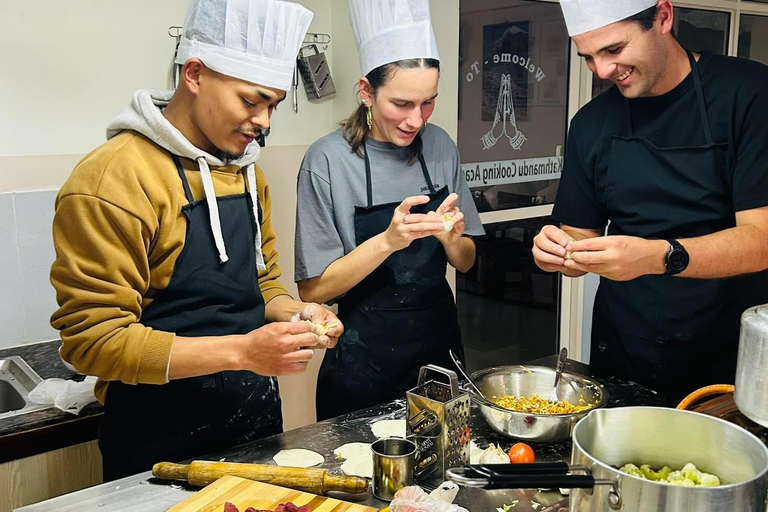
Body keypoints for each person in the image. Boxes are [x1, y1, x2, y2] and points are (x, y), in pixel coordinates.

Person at [49, 0, 343, 481]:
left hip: (256, 432)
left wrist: (300, 315)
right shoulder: (113, 180)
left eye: (272, 104)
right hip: (157, 443)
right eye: (251, 101)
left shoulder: (249, 175)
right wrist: (244, 352)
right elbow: (93, 341)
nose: (264, 122)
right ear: (194, 74)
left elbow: (262, 284)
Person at [533, 0, 768, 402]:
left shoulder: (749, 95)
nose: (603, 72)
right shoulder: (590, 123)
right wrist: (558, 250)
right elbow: (578, 230)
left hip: (727, 358)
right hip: (625, 351)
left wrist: (660, 256)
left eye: (614, 49)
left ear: (663, 16)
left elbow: (761, 239)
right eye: (588, 57)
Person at [294, 0, 485, 421]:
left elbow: (467, 262)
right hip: (363, 363)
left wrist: (453, 242)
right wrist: (387, 241)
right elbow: (313, 290)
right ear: (366, 91)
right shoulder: (327, 161)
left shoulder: (440, 148)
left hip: (441, 354)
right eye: (401, 104)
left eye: (428, 103)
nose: (416, 120)